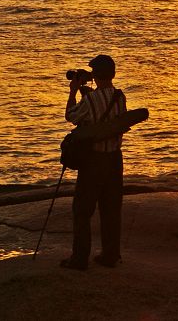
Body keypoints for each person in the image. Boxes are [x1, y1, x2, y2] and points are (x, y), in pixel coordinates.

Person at [61, 53, 127, 270]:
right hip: (115, 159)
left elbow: (72, 115)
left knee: (82, 210)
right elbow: (106, 116)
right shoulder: (120, 97)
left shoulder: (90, 100)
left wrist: (73, 91)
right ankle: (110, 255)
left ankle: (80, 259)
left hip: (94, 161)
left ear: (95, 75)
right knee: (111, 209)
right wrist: (86, 92)